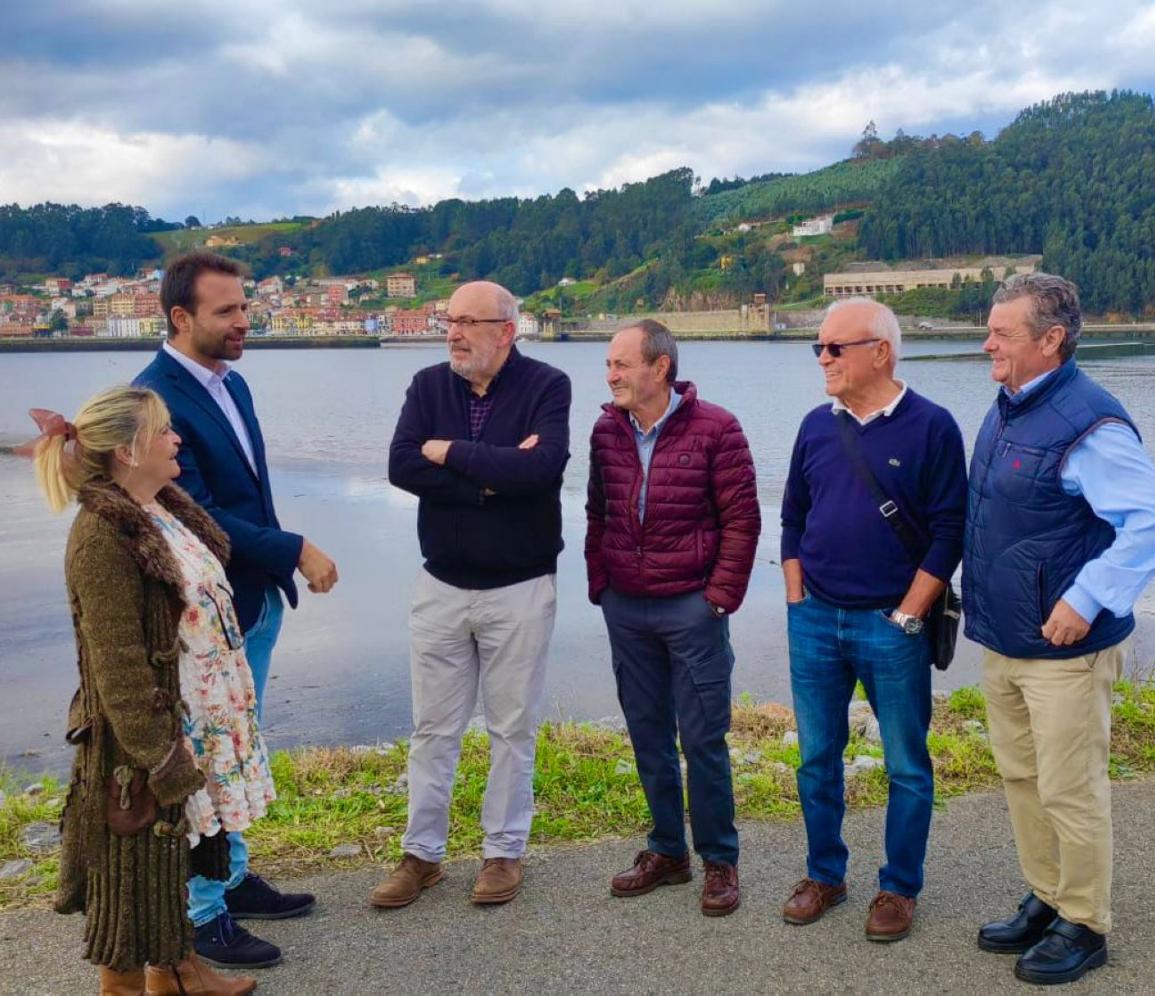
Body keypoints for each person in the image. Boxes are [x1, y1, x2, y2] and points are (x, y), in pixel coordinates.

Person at [964, 273, 1155, 986]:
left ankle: (1085, 924)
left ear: (1050, 340)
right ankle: (1050, 896)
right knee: (1023, 778)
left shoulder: (1091, 421)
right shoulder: (1010, 406)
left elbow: (1153, 520)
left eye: (1002, 333)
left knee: (1069, 788)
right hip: (1008, 638)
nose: (987, 342)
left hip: (1064, 648)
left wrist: (1088, 599)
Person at [134, 251, 334, 969]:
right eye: (227, 311)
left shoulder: (233, 384)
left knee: (239, 749)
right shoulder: (152, 400)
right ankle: (202, 915)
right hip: (204, 621)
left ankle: (234, 875)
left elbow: (245, 494)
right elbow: (197, 514)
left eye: (246, 307)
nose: (244, 321)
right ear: (181, 317)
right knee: (210, 760)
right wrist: (294, 549)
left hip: (249, 603)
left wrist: (274, 567)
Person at [25, 387, 260, 995]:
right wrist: (159, 756)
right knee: (130, 877)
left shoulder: (160, 509)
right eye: (164, 432)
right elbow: (118, 666)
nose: (176, 440)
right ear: (129, 451)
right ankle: (129, 986)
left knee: (170, 863)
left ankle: (178, 972)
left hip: (196, 713)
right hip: (143, 739)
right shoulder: (103, 535)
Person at [372, 280, 571, 909]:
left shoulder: (547, 385)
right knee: (433, 728)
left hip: (520, 586)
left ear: (506, 330)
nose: (451, 333)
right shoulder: (429, 385)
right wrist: (488, 480)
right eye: (448, 320)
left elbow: (543, 470)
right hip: (441, 585)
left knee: (513, 728)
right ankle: (421, 855)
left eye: (467, 322)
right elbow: (402, 465)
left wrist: (452, 453)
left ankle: (504, 853)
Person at [779, 299, 966, 941]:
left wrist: (908, 614)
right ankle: (825, 875)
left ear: (879, 351)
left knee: (907, 764)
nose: (823, 359)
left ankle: (898, 889)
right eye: (819, 348)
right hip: (815, 621)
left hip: (891, 625)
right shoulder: (814, 425)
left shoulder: (932, 426)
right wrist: (796, 599)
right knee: (815, 759)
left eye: (835, 348)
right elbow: (792, 519)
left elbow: (949, 533)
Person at [586, 319, 761, 917]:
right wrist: (601, 584)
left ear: (659, 367)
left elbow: (743, 521)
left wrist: (718, 598)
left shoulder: (718, 428)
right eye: (609, 365)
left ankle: (719, 860)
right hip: (627, 608)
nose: (610, 375)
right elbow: (596, 512)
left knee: (704, 738)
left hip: (692, 607)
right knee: (647, 735)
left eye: (620, 364)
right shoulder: (606, 429)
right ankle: (667, 851)